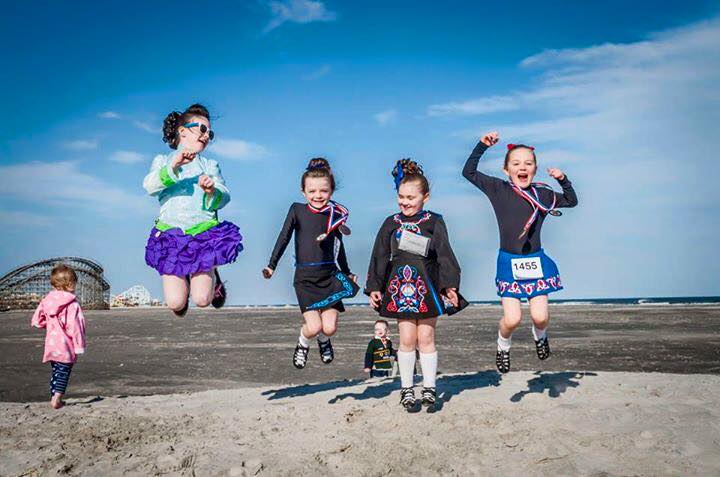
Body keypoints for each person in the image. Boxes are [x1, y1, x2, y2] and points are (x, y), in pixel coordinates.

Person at [462, 131, 578, 373]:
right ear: (506, 170)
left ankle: (541, 337)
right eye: (516, 163)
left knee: (540, 317)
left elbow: (571, 200)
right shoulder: (498, 189)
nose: (522, 167)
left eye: (528, 163)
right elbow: (468, 172)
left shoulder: (543, 195)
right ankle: (503, 346)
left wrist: (563, 179)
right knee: (513, 319)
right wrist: (481, 146)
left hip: (536, 261)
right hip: (509, 262)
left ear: (535, 169)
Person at [366, 159, 468, 413]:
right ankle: (407, 389)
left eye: (411, 197)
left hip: (428, 286)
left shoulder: (434, 221)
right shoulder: (390, 222)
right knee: (407, 339)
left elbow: (445, 254)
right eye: (401, 197)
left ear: (426, 197)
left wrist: (450, 286)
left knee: (426, 337)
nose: (405, 202)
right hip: (400, 289)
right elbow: (379, 255)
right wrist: (375, 287)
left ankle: (430, 389)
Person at [143, 103, 242, 316]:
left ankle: (214, 278)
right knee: (176, 304)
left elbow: (225, 196)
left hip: (203, 234)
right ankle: (184, 283)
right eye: (202, 129)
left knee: (202, 299)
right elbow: (150, 186)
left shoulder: (209, 165)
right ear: (183, 131)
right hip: (171, 235)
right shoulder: (162, 161)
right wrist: (173, 167)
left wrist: (211, 190)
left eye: (210, 133)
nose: (207, 136)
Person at [263, 158, 359, 369]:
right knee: (313, 326)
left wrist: (347, 272)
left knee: (330, 328)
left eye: (323, 191)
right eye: (312, 191)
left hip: (330, 277)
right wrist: (272, 265)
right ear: (303, 191)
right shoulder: (297, 210)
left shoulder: (335, 214)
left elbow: (338, 247)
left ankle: (325, 341)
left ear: (331, 191)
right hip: (305, 279)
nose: (318, 196)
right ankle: (303, 343)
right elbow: (284, 237)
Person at [31, 264, 87, 409]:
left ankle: (54, 396)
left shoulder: (47, 300)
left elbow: (37, 320)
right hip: (65, 345)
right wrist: (79, 346)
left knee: (56, 370)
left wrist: (50, 324)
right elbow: (76, 327)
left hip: (51, 343)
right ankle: (57, 398)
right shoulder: (72, 304)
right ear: (70, 284)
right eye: (75, 282)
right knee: (64, 371)